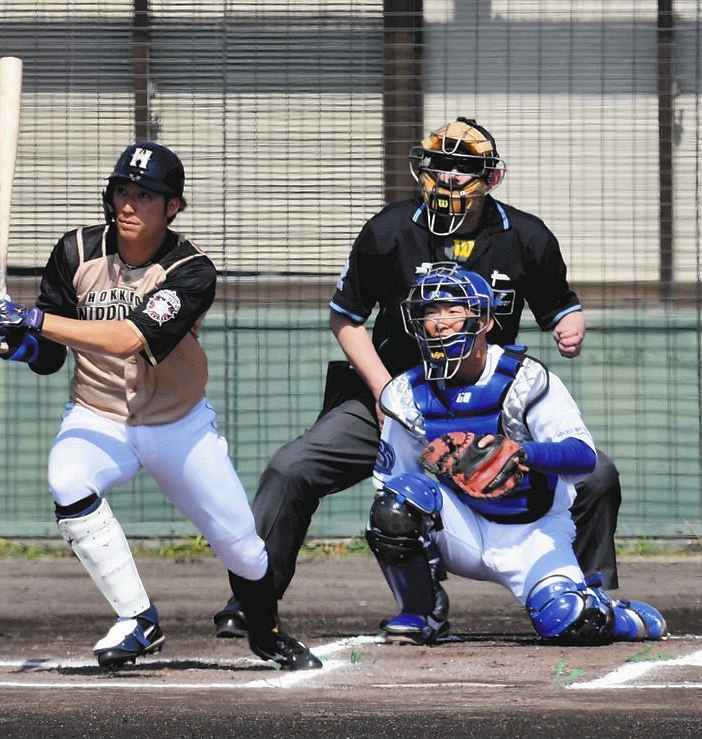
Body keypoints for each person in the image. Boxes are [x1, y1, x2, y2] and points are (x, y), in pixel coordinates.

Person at [213, 117, 622, 638]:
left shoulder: (526, 237)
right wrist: (384, 390)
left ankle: (589, 599)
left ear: (489, 177)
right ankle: (254, 600)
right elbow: (345, 318)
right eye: (441, 164)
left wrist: (570, 325)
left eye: (464, 166)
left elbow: (560, 306)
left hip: (487, 405)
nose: (450, 176)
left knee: (596, 474)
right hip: (395, 395)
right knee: (292, 468)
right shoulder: (390, 231)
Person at [0, 141, 320, 671]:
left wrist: (35, 322)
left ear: (172, 206)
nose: (128, 205)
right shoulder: (76, 251)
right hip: (98, 415)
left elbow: (129, 337)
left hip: (178, 425)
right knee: (68, 480)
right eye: (121, 192)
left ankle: (266, 634)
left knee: (243, 550)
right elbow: (50, 357)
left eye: (145, 195)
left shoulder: (191, 269)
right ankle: (138, 618)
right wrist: (23, 346)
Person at [366, 266, 664, 644]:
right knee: (394, 506)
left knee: (570, 622)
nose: (439, 323)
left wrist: (519, 451)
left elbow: (583, 456)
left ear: (485, 319)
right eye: (430, 312)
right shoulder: (405, 392)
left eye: (452, 310)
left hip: (533, 530)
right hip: (464, 530)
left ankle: (616, 615)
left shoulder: (525, 378)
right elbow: (392, 484)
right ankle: (421, 612)